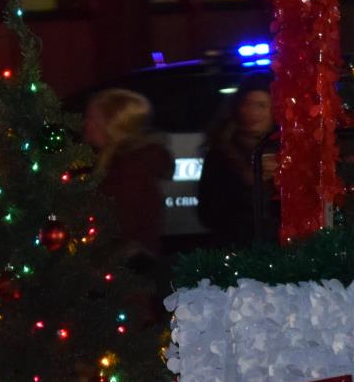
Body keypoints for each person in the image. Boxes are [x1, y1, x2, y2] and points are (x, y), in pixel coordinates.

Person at [83, 89, 172, 268]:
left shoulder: (130, 167)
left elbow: (122, 222)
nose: (86, 124)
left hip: (126, 267)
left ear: (112, 125)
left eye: (92, 119)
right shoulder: (110, 161)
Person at [194, 74, 276, 246]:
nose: (253, 112)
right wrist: (250, 181)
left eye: (261, 105)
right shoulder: (222, 154)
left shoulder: (288, 151)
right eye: (247, 104)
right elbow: (209, 212)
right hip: (236, 248)